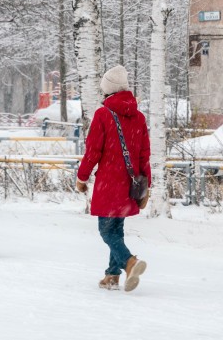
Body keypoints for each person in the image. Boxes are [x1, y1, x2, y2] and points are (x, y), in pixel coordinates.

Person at [76, 65, 151, 292]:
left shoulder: (103, 115)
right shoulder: (138, 117)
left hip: (109, 184)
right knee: (116, 230)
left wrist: (82, 177)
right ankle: (111, 276)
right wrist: (147, 186)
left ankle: (129, 262)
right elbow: (144, 154)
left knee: (106, 231)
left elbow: (93, 152)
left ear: (108, 90)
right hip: (130, 184)